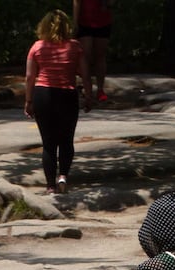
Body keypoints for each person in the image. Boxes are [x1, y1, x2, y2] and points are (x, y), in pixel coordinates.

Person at [24, 10, 92, 194]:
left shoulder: (37, 47)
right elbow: (85, 75)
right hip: (67, 95)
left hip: (43, 94)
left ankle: (50, 186)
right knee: (66, 140)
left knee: (48, 143)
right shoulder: (75, 47)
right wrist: (88, 96)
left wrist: (28, 100)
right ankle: (63, 176)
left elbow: (30, 77)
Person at [72, 0, 112, 104]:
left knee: (100, 55)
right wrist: (75, 22)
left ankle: (100, 90)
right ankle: (87, 89)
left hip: (103, 22)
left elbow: (111, 3)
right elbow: (77, 2)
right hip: (84, 22)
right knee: (86, 55)